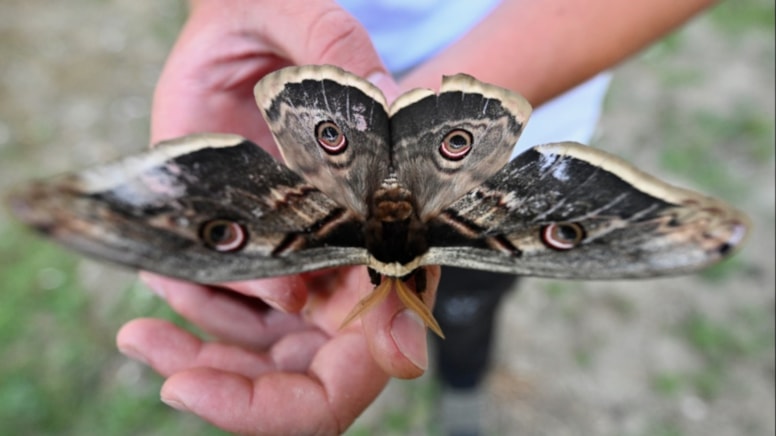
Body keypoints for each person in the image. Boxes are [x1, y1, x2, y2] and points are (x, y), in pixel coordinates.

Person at [116, 0, 716, 434]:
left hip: (471, 124)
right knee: (445, 303)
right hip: (333, 89)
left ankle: (462, 388)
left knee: (460, 313)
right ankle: (461, 383)